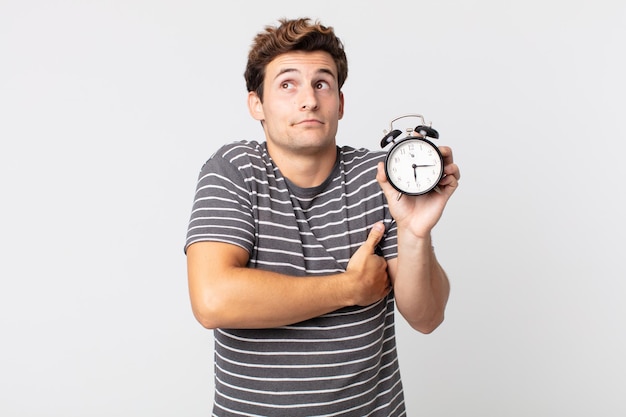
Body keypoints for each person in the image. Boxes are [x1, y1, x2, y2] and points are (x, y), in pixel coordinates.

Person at [184, 17, 460, 417]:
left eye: (322, 84)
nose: (309, 100)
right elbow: (213, 300)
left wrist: (415, 232)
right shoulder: (233, 169)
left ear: (340, 103)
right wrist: (350, 288)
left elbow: (427, 316)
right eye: (287, 84)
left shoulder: (379, 176)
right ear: (256, 104)